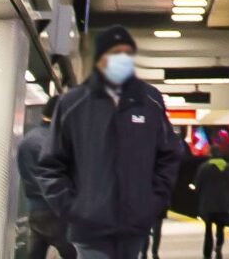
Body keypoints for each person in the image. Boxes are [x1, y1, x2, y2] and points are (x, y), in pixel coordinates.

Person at [31, 26, 185, 259]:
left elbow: (169, 154)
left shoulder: (149, 100)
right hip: (89, 229)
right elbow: (50, 164)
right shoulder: (73, 103)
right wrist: (72, 208)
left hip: (134, 227)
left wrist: (153, 201)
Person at [19, 96, 75, 259]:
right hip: (56, 212)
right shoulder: (53, 142)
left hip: (35, 211)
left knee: (36, 254)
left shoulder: (28, 139)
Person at [194, 130, 229, 258]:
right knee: (220, 228)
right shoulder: (228, 167)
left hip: (208, 204)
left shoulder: (204, 168)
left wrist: (200, 196)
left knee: (208, 230)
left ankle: (207, 254)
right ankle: (219, 246)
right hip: (223, 203)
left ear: (211, 154)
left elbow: (198, 186)